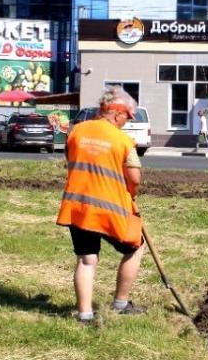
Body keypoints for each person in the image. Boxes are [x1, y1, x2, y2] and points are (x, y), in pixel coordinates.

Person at [56, 86, 147, 324]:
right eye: (128, 116)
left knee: (87, 259)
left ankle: (84, 314)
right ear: (117, 113)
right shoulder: (124, 141)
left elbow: (71, 161)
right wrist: (132, 193)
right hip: (109, 210)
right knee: (135, 248)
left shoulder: (76, 132)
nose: (127, 122)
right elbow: (135, 178)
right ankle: (121, 303)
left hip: (77, 207)